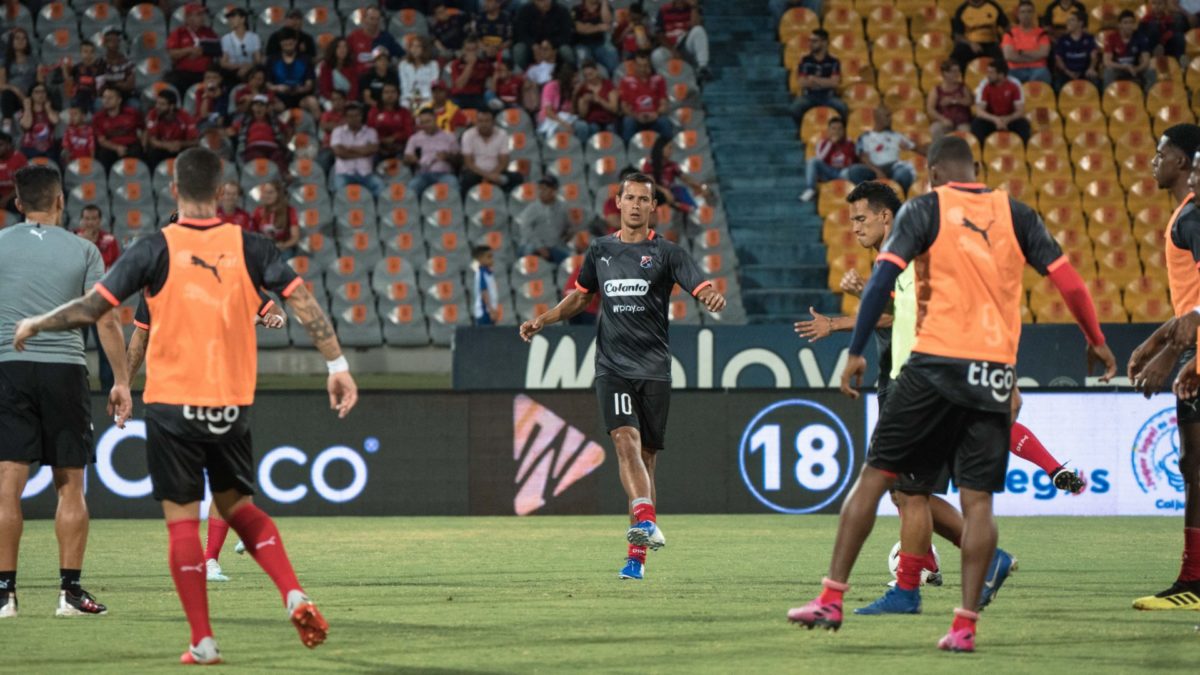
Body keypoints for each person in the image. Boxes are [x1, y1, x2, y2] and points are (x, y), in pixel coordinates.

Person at [11, 146, 357, 663]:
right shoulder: (251, 246)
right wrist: (337, 366)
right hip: (230, 402)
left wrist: (38, 323)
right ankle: (292, 592)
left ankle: (203, 640)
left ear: (173, 190)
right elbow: (302, 304)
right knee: (241, 508)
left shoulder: (153, 249)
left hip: (172, 405)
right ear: (220, 192)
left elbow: (95, 308)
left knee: (181, 523)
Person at [786, 135, 1116, 652]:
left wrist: (854, 347)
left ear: (934, 173)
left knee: (879, 477)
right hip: (994, 369)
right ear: (976, 168)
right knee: (977, 502)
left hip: (932, 365)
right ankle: (964, 628)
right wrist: (1095, 339)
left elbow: (884, 281)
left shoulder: (924, 211)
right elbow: (1071, 283)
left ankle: (832, 597)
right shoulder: (1018, 214)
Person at [518, 171, 726, 581]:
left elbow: (699, 286)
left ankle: (637, 557)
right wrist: (544, 319)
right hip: (612, 366)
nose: (635, 205)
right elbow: (581, 297)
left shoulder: (668, 253)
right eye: (629, 198)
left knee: (647, 460)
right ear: (618, 202)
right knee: (624, 440)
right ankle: (646, 519)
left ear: (653, 206)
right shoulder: (600, 249)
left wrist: (710, 295)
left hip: (654, 368)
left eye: (643, 199)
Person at [0, 165, 132, 621]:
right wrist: (121, 381)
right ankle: (70, 593)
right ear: (60, 201)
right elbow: (105, 318)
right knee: (71, 484)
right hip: (65, 371)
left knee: (7, 484)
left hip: (8, 367)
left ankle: (4, 595)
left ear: (19, 204)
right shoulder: (85, 249)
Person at [125, 272, 287, 584]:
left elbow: (272, 310)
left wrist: (273, 318)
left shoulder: (231, 279)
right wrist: (123, 385)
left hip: (218, 393)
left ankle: (210, 558)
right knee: (194, 483)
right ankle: (232, 536)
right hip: (174, 395)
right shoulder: (158, 286)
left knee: (226, 479)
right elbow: (140, 338)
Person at [1128, 124, 1200, 611]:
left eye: (1161, 154)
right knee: (1192, 466)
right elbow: (1190, 305)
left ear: (1182, 161)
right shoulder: (1186, 215)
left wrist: (1174, 354)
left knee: (1196, 467)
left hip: (1196, 356)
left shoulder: (1192, 218)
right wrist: (1158, 341)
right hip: (1193, 350)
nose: (1154, 162)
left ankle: (1193, 579)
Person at [73, 203, 121, 393]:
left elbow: (113, 269)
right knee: (77, 348)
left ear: (100, 221)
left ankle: (108, 392)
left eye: (94, 218)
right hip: (79, 301)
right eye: (87, 218)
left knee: (106, 348)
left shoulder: (110, 240)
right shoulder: (74, 240)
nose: (90, 222)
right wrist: (85, 244)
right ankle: (78, 390)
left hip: (102, 301)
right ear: (81, 220)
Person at [847, 106, 922, 195]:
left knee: (904, 172)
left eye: (890, 116)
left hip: (894, 168)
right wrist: (877, 171)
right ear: (877, 117)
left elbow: (917, 148)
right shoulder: (865, 137)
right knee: (854, 170)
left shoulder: (897, 136)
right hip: (873, 169)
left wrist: (913, 147)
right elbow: (864, 158)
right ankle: (868, 197)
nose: (890, 119)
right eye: (887, 116)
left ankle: (897, 198)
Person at [789, 29, 847, 123]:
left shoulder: (834, 61)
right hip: (809, 96)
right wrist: (826, 82)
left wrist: (814, 79)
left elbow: (835, 83)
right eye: (810, 41)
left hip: (828, 96)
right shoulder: (805, 60)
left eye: (814, 41)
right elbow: (802, 82)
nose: (810, 44)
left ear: (824, 42)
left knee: (842, 108)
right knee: (795, 109)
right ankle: (803, 129)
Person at [642, 135, 711, 213]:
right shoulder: (650, 163)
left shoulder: (672, 165)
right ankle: (678, 206)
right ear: (661, 148)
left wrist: (699, 186)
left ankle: (691, 209)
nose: (671, 151)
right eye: (669, 148)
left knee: (681, 190)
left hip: (671, 192)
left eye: (672, 148)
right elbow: (650, 183)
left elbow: (684, 177)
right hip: (656, 192)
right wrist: (664, 192)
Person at [461, 107, 521, 193]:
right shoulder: (468, 135)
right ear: (476, 122)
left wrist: (493, 175)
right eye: (480, 121)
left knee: (517, 177)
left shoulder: (502, 134)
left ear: (493, 122)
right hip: (476, 172)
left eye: (487, 121)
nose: (483, 124)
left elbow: (504, 161)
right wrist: (488, 176)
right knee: (467, 179)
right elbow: (468, 163)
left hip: (497, 171)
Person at [970, 59, 1031, 143]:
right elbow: (979, 111)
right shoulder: (984, 84)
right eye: (988, 72)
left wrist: (1007, 119)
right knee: (977, 124)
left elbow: (1020, 111)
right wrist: (995, 119)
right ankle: (981, 150)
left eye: (991, 73)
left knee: (1023, 125)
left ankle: (1023, 149)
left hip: (1009, 118)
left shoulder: (1015, 84)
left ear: (1001, 74)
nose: (988, 75)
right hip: (991, 119)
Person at [515, 175, 573, 262]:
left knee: (571, 260)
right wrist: (540, 247)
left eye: (545, 189)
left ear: (554, 191)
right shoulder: (532, 208)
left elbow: (570, 226)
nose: (541, 191)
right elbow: (525, 230)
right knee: (528, 251)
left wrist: (569, 233)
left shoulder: (563, 207)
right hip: (532, 245)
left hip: (553, 246)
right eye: (540, 188)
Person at [799, 116, 857, 202]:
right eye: (833, 129)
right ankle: (810, 189)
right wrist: (831, 144)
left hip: (844, 173)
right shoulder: (822, 143)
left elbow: (851, 162)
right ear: (829, 131)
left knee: (849, 171)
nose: (836, 131)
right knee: (812, 161)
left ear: (844, 131)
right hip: (828, 173)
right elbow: (820, 159)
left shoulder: (850, 144)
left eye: (840, 129)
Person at [166, 4, 220, 95]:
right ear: (188, 18)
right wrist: (189, 50)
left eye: (202, 14)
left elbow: (218, 50)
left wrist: (202, 52)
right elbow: (172, 54)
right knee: (172, 81)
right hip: (183, 73)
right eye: (199, 14)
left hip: (204, 74)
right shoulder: (179, 33)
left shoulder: (209, 32)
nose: (202, 17)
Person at [331, 102, 385, 194]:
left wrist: (348, 148)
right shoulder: (338, 131)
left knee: (380, 186)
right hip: (344, 173)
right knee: (339, 191)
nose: (354, 119)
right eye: (350, 116)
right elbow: (339, 153)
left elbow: (373, 150)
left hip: (366, 174)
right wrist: (364, 150)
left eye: (357, 116)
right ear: (345, 118)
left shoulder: (371, 132)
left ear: (361, 117)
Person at [405, 107, 461, 195]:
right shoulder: (414, 139)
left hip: (444, 174)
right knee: (412, 186)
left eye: (428, 121)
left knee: (453, 183)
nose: (425, 125)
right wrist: (410, 159)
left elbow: (459, 161)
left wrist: (448, 157)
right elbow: (406, 159)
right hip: (422, 174)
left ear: (435, 119)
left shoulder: (449, 136)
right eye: (422, 123)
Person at [619, 51, 672, 142]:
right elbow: (624, 106)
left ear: (650, 65)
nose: (643, 69)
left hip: (654, 116)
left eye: (646, 66)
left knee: (664, 121)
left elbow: (663, 103)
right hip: (636, 117)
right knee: (628, 121)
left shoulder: (659, 79)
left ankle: (667, 147)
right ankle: (628, 149)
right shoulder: (626, 81)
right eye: (640, 66)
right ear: (634, 66)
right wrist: (635, 115)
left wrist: (656, 114)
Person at [653, 0, 710, 80]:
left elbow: (696, 26)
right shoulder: (664, 9)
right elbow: (659, 34)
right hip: (670, 46)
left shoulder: (694, 9)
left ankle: (702, 68)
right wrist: (672, 50)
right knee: (657, 54)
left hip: (686, 45)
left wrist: (693, 7)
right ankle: (663, 79)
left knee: (699, 30)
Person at [142, 90, 199, 169]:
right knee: (151, 151)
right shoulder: (153, 114)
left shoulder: (185, 116)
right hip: (161, 148)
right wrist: (167, 145)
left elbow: (195, 141)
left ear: (172, 106)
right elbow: (152, 140)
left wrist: (180, 144)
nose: (157, 106)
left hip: (179, 149)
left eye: (162, 104)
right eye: (157, 103)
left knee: (191, 152)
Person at [514, 0, 576, 70]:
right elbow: (520, 33)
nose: (545, 3)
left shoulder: (562, 10)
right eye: (541, 1)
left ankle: (572, 71)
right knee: (519, 49)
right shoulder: (524, 10)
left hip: (555, 46)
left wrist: (551, 43)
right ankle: (521, 73)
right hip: (532, 47)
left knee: (565, 50)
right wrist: (532, 44)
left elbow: (566, 34)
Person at [92, 85, 142, 169]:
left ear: (119, 100)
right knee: (103, 154)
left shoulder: (132, 113)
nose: (106, 100)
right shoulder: (98, 117)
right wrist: (117, 148)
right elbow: (102, 140)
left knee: (137, 151)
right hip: (111, 146)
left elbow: (143, 129)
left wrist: (143, 144)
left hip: (131, 145)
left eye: (110, 98)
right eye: (104, 97)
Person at [1001, 1, 1051, 84]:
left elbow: (1043, 53)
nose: (1026, 15)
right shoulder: (1010, 34)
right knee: (1009, 80)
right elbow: (1009, 56)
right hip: (1015, 69)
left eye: (1029, 12)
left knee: (1041, 75)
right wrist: (1033, 57)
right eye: (1023, 12)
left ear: (1033, 14)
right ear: (1018, 15)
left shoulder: (1041, 33)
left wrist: (1021, 52)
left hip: (1038, 69)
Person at [234, 95, 289, 170]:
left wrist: (286, 141)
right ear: (252, 108)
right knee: (255, 159)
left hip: (272, 148)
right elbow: (232, 130)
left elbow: (287, 129)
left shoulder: (274, 122)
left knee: (279, 158)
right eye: (256, 105)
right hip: (253, 148)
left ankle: (283, 175)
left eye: (262, 105)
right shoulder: (245, 122)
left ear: (266, 109)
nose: (259, 108)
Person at [267, 29, 316, 113]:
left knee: (312, 102)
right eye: (285, 45)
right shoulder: (272, 60)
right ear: (280, 44)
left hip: (301, 96)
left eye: (290, 44)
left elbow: (309, 84)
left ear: (295, 42)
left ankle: (319, 121)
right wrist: (278, 88)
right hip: (279, 97)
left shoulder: (305, 59)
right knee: (270, 105)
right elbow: (268, 84)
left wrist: (299, 89)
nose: (288, 47)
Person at [1104, 10, 1155, 89]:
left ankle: (1148, 96)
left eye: (1131, 22)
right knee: (1108, 72)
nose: (1129, 25)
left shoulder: (1141, 37)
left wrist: (1137, 69)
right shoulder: (1111, 38)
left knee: (1150, 72)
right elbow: (1107, 62)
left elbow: (1146, 61)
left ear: (1134, 25)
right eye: (1125, 23)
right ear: (1119, 25)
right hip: (1118, 68)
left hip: (1135, 68)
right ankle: (1108, 96)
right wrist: (1125, 67)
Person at [950, 0, 1009, 68]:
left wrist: (1004, 42)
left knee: (1002, 58)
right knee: (957, 55)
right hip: (970, 44)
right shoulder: (961, 10)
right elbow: (958, 37)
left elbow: (1006, 27)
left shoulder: (993, 6)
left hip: (991, 43)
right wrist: (971, 44)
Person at [539, 62, 587, 143]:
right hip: (551, 119)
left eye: (577, 76)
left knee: (582, 126)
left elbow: (572, 113)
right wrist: (564, 124)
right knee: (563, 129)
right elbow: (548, 112)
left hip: (567, 118)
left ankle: (580, 149)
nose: (576, 79)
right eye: (574, 77)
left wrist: (574, 95)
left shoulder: (571, 89)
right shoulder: (551, 86)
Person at [347, 5, 404, 72]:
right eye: (372, 18)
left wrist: (396, 68)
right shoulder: (354, 36)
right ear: (365, 19)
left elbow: (403, 56)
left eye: (377, 19)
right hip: (359, 76)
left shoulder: (387, 37)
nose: (374, 22)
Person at [251, 181, 300, 258]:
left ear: (278, 194)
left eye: (270, 193)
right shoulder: (258, 211)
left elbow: (295, 237)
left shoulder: (289, 210)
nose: (267, 196)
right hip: (264, 248)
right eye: (265, 192)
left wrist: (284, 245)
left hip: (283, 249)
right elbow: (253, 234)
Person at [927, 60, 974, 140]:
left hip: (962, 122)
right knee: (935, 129)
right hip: (944, 121)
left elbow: (970, 102)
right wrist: (943, 119)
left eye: (958, 71)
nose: (957, 74)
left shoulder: (963, 87)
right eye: (954, 71)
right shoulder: (936, 90)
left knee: (965, 131)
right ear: (945, 73)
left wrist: (954, 101)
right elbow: (930, 109)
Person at [0, 28, 40, 121]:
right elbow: (1, 85)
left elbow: (39, 82)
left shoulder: (34, 60)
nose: (20, 41)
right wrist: (16, 90)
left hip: (30, 96)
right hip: (13, 96)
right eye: (17, 38)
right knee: (7, 94)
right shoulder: (5, 61)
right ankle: (7, 124)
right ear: (11, 41)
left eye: (24, 38)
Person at [368, 82, 415, 160]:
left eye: (393, 92)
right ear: (381, 95)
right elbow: (370, 130)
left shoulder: (404, 112)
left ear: (398, 94)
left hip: (400, 150)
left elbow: (409, 132)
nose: (390, 95)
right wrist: (382, 140)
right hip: (378, 150)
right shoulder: (374, 111)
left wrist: (394, 138)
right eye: (386, 92)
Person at [1053, 12, 1100, 88]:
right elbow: (1058, 58)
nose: (1068, 22)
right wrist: (1068, 72)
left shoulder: (1089, 38)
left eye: (1072, 20)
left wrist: (1091, 68)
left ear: (1080, 23)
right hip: (1067, 72)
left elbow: (1094, 55)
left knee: (1095, 80)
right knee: (1057, 85)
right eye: (1068, 20)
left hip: (1084, 72)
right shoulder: (1062, 39)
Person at [573, 0, 619, 76]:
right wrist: (599, 27)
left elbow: (607, 23)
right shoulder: (577, 9)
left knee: (612, 54)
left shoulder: (606, 8)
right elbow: (579, 28)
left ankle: (613, 80)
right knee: (584, 62)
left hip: (601, 43)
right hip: (582, 44)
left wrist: (604, 3)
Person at [219, 8, 263, 85]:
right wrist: (239, 66)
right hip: (232, 71)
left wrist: (248, 67)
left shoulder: (254, 37)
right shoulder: (226, 38)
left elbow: (258, 60)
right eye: (229, 19)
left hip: (250, 70)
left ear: (243, 19)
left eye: (233, 18)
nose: (231, 21)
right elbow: (224, 62)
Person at [60, 40, 106, 113]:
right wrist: (64, 70)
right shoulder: (76, 68)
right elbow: (68, 83)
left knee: (99, 103)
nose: (88, 55)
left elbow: (101, 87)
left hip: (93, 98)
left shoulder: (100, 67)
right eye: (85, 52)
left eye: (91, 52)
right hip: (78, 98)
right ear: (81, 53)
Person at [450, 37, 493, 111]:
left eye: (473, 50)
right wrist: (470, 64)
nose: (471, 53)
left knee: (486, 110)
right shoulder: (456, 63)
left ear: (478, 50)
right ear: (463, 50)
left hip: (477, 96)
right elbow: (460, 85)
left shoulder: (484, 63)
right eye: (468, 50)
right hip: (459, 96)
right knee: (453, 109)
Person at [17, 84, 59, 160]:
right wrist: (27, 108)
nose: (40, 94)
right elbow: (26, 125)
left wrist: (48, 108)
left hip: (49, 148)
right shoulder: (23, 112)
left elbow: (55, 121)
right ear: (31, 95)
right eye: (37, 92)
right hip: (29, 148)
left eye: (43, 92)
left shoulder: (52, 110)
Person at [399, 36, 439, 111]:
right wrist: (411, 99)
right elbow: (404, 86)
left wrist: (421, 98)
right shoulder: (403, 65)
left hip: (426, 98)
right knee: (404, 105)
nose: (414, 49)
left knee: (426, 107)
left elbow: (433, 85)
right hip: (408, 99)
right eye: (412, 46)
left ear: (424, 49)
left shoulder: (433, 65)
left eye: (418, 46)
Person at [97, 28, 135, 104]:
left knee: (134, 104)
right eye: (110, 41)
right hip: (106, 96)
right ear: (105, 43)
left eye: (116, 40)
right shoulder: (100, 62)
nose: (114, 44)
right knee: (98, 104)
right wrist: (119, 84)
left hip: (125, 96)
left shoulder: (128, 62)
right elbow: (100, 87)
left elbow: (129, 85)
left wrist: (111, 84)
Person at [316, 38, 360, 104]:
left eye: (344, 47)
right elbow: (324, 89)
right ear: (334, 49)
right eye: (339, 47)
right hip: (329, 99)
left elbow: (354, 88)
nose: (342, 50)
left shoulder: (351, 66)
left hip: (348, 100)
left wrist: (348, 100)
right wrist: (336, 100)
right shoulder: (326, 66)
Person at [471, 245, 500, 325]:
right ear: (480, 259)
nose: (492, 259)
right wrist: (491, 310)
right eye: (489, 257)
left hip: (489, 310)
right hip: (484, 312)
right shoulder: (481, 273)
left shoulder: (488, 273)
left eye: (492, 256)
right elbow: (484, 293)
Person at [0, 131, 27, 213]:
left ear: (9, 145)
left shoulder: (19, 158)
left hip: (15, 195)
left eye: (0, 145)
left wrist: (6, 199)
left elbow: (23, 185)